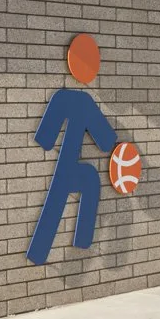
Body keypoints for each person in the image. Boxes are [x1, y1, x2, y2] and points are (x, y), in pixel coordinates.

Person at [26, 84, 117, 266]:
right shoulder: (79, 101)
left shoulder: (68, 100)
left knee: (88, 180)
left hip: (70, 172)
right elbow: (107, 141)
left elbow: (45, 139)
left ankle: (71, 243)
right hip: (70, 171)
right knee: (89, 180)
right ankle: (80, 240)